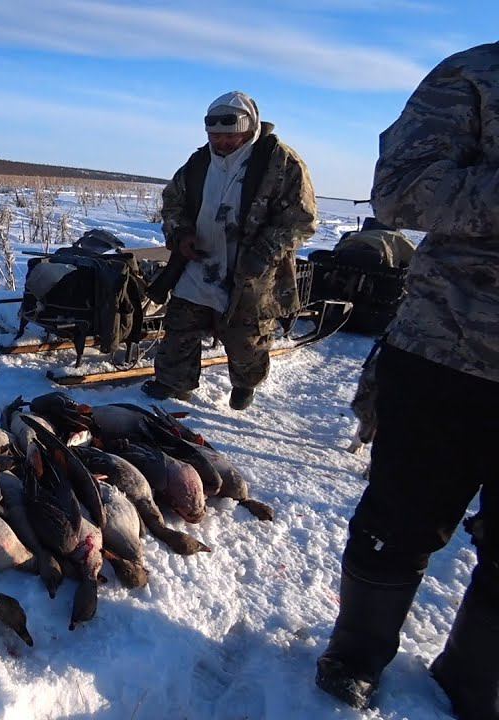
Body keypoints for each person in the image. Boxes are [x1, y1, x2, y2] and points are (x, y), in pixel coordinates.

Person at [316, 42, 499, 719]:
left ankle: (475, 680)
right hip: (450, 349)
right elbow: (401, 187)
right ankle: (356, 655)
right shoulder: (476, 74)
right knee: (399, 518)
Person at [143, 91, 317, 410]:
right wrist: (181, 234)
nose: (221, 142)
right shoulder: (199, 162)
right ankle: (173, 384)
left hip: (252, 273)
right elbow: (173, 202)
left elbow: (301, 220)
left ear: (249, 129)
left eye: (229, 136)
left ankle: (245, 384)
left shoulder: (281, 162)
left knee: (245, 341)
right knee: (180, 325)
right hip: (199, 263)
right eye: (215, 135)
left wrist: (262, 253)